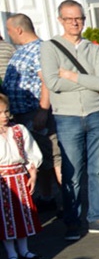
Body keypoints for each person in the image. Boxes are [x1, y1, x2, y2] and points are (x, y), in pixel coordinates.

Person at [41, 0, 99, 239]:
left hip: (97, 114)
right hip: (67, 116)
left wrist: (71, 75)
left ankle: (96, 217)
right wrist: (87, 81)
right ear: (60, 20)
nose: (75, 22)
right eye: (70, 18)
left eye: (79, 18)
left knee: (98, 171)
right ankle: (72, 221)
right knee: (71, 172)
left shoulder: (95, 49)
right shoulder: (50, 47)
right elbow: (52, 82)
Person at [2, 14, 57, 205]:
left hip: (36, 112)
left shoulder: (40, 49)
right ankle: (46, 196)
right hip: (22, 114)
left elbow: (46, 80)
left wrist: (43, 109)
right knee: (37, 158)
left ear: (18, 30)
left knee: (52, 157)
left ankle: (68, 203)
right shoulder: (20, 51)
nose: (8, 35)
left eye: (8, 30)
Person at [0, 93, 42, 259]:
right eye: (0, 113)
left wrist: (33, 172)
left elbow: (31, 153)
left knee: (22, 214)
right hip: (2, 181)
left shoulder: (18, 130)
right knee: (4, 217)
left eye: (6, 112)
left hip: (19, 177)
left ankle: (24, 250)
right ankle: (11, 253)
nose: (4, 116)